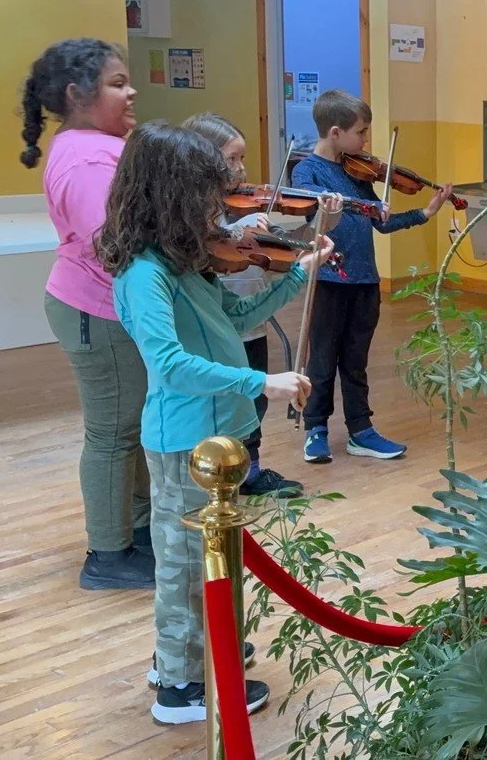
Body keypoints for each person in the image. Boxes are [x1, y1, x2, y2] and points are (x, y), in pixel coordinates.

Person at [97, 121, 334, 724]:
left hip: (214, 435)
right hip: (182, 440)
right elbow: (171, 367)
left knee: (205, 558)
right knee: (179, 565)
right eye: (203, 196)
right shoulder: (145, 275)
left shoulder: (183, 262)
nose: (216, 209)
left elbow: (237, 313)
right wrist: (263, 382)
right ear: (166, 196)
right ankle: (179, 689)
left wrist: (301, 273)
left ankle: (189, 651)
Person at [20, 38, 152, 590]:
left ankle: (138, 530)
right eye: (117, 83)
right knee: (113, 434)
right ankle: (107, 555)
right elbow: (112, 243)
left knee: (133, 425)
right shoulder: (85, 156)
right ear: (78, 95)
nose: (131, 91)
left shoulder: (103, 145)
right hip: (95, 311)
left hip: (111, 307)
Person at [290, 89, 453, 463]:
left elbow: (381, 224)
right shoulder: (306, 171)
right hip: (329, 280)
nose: (366, 141)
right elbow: (317, 211)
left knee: (355, 361)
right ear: (335, 132)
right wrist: (362, 205)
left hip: (364, 280)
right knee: (322, 360)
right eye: (361, 132)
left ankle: (360, 431)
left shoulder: (358, 171)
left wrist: (424, 214)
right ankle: (315, 429)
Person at [182, 112, 304, 497]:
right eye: (232, 159)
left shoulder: (232, 206)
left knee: (254, 403)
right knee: (229, 398)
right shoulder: (192, 215)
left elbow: (273, 250)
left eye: (241, 158)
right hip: (219, 324)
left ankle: (248, 469)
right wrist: (235, 232)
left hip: (250, 317)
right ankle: (213, 469)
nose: (241, 168)